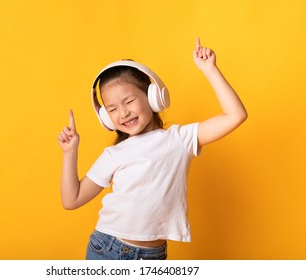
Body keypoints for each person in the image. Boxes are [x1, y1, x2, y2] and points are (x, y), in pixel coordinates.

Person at [57, 38, 247, 260]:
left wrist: (210, 70)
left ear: (152, 96)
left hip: (153, 256)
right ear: (105, 117)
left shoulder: (180, 138)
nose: (123, 113)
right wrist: (70, 153)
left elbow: (236, 115)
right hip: (108, 249)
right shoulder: (114, 154)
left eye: (128, 101)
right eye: (112, 109)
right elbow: (72, 200)